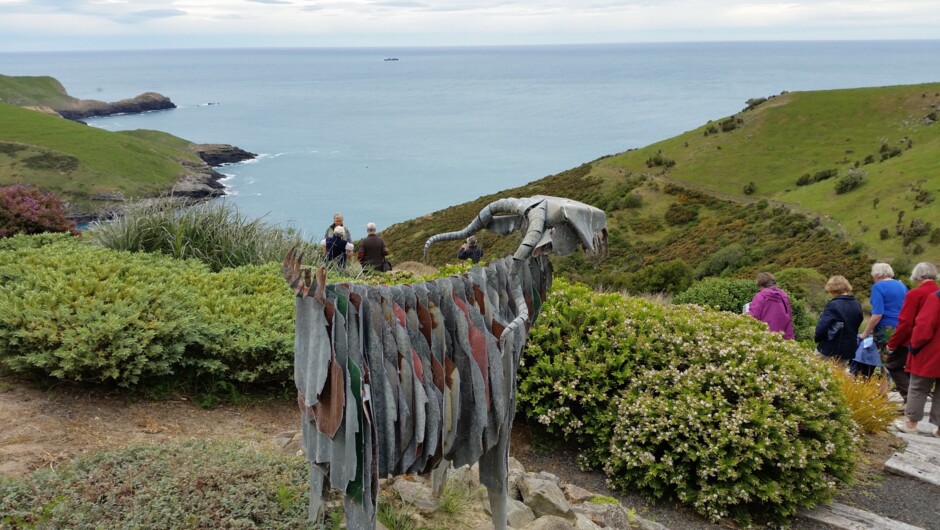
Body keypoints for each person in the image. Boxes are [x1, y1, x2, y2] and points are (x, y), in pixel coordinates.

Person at [887, 262, 939, 404]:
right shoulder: (937, 292)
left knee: (893, 365)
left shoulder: (914, 294)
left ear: (916, 276)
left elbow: (906, 322)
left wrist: (893, 343)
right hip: (934, 342)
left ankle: (911, 401)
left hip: (913, 340)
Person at [898, 281, 940, 437]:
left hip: (930, 352)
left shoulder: (936, 298)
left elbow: (925, 325)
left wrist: (914, 346)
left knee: (918, 388)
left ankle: (911, 424)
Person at [859, 263, 909, 394]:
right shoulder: (901, 286)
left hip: (885, 330)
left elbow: (877, 314)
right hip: (903, 328)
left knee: (883, 362)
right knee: (898, 361)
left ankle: (883, 393)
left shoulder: (878, 287)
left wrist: (865, 332)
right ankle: (904, 395)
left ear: (877, 274)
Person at [815, 275, 864, 368]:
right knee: (838, 376)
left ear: (831, 288)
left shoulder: (833, 305)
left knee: (817, 370)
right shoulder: (856, 304)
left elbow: (822, 327)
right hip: (848, 348)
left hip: (830, 347)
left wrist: (818, 338)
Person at [747, 272, 795, 340]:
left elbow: (753, 317)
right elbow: (789, 316)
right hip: (784, 335)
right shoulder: (784, 295)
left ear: (760, 284)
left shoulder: (760, 296)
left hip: (767, 336)